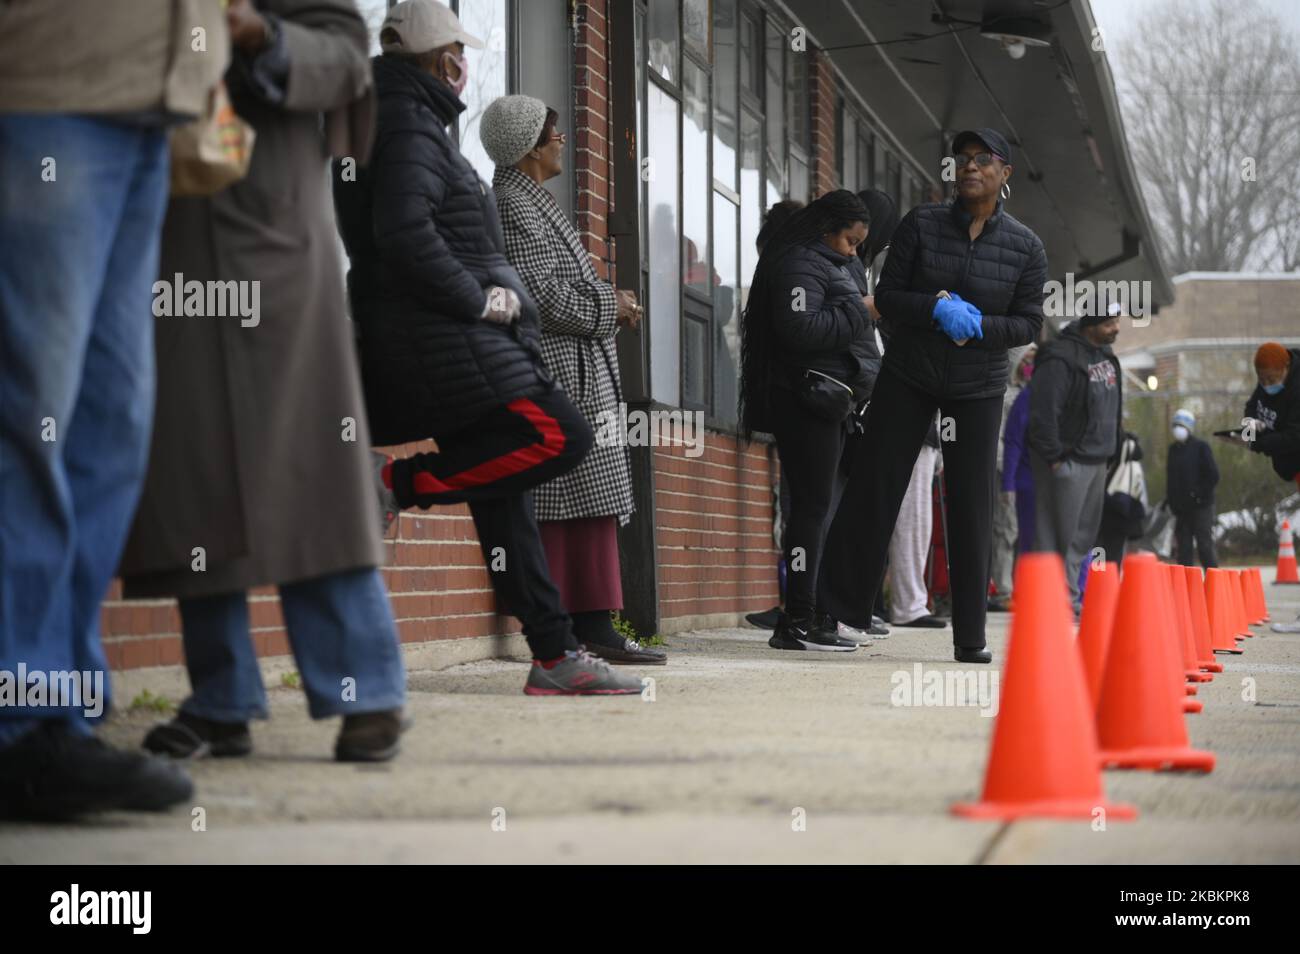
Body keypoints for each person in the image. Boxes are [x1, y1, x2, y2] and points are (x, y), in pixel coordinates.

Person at [121, 0, 408, 764]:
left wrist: (262, 35)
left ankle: (366, 690)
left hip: (275, 229)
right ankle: (220, 700)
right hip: (165, 234)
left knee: (311, 466)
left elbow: (347, 56)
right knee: (190, 477)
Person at [334, 1, 640, 695]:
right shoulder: (409, 124)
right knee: (559, 435)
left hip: (447, 344)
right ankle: (389, 484)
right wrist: (479, 300)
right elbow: (405, 236)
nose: (465, 66)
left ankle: (554, 654)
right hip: (449, 343)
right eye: (459, 54)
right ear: (444, 60)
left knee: (504, 496)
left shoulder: (401, 119)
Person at [0, 0, 228, 818]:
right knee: (30, 418)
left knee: (110, 424)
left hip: (154, 101)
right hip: (45, 76)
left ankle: (53, 713)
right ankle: (18, 717)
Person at [819, 128, 1047, 664]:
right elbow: (891, 297)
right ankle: (831, 609)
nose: (970, 167)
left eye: (982, 160)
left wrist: (978, 326)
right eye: (962, 159)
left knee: (971, 502)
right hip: (911, 372)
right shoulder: (921, 224)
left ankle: (971, 635)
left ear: (1004, 172)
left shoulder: (1025, 246)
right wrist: (936, 310)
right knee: (875, 484)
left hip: (978, 385)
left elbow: (1028, 323)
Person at [482, 94, 664, 665]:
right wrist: (613, 305)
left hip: (577, 369)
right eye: (554, 134)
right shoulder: (515, 204)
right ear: (530, 148)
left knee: (589, 502)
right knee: (574, 503)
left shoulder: (531, 201)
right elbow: (541, 294)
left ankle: (589, 624)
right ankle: (584, 627)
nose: (561, 141)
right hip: (560, 371)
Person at [739, 190, 878, 652]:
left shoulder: (831, 264)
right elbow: (801, 330)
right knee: (811, 512)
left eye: (859, 245)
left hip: (834, 400)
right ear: (826, 229)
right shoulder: (800, 263)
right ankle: (798, 620)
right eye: (849, 241)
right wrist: (862, 312)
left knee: (822, 512)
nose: (853, 251)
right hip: (806, 400)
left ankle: (815, 615)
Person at [1028, 309, 1123, 614]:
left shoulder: (1105, 355)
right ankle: (1052, 604)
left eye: (1117, 322)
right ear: (1091, 326)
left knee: (1081, 538)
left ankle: (1067, 598)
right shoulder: (1061, 357)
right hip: (1068, 459)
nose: (1115, 329)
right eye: (1109, 324)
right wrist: (1056, 458)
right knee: (1058, 535)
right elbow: (1043, 412)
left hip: (1098, 458)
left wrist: (1112, 451)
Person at [745, 200, 804, 632]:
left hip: (801, 407)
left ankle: (797, 607)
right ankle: (801, 605)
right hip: (806, 406)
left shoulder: (792, 275)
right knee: (805, 508)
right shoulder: (813, 270)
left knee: (801, 508)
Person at [887, 416, 947, 627]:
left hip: (922, 433)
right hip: (913, 431)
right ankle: (908, 604)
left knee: (918, 524)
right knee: (912, 521)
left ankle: (909, 602)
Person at [1167, 409, 1219, 568]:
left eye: (1181, 425)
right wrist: (1171, 501)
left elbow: (1213, 475)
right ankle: (1186, 589)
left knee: (1204, 546)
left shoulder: (1200, 447)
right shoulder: (1173, 450)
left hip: (1201, 507)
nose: (1178, 429)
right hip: (1181, 510)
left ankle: (1213, 584)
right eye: (1176, 425)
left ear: (1189, 427)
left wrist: (1198, 494)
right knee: (1184, 551)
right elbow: (1171, 478)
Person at [1244, 343, 1300, 489]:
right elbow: (1252, 406)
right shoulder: (1267, 377)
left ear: (1286, 368)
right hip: (1288, 464)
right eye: (1262, 380)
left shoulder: (1296, 390)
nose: (1267, 385)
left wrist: (1260, 443)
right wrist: (1249, 432)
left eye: (1272, 379)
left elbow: (1294, 436)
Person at [1000, 347, 1038, 562]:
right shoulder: (1011, 396)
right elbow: (1007, 439)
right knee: (1007, 530)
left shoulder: (1033, 392)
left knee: (1016, 531)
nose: (1029, 366)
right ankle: (1004, 586)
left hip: (1023, 472)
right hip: (1010, 470)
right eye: (1026, 360)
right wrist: (1006, 476)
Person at [1098, 431, 1148, 568]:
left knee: (1104, 552)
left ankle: (1100, 582)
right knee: (1110, 553)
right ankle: (1102, 581)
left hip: (1112, 516)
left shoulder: (1124, 463)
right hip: (1118, 518)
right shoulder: (1131, 464)